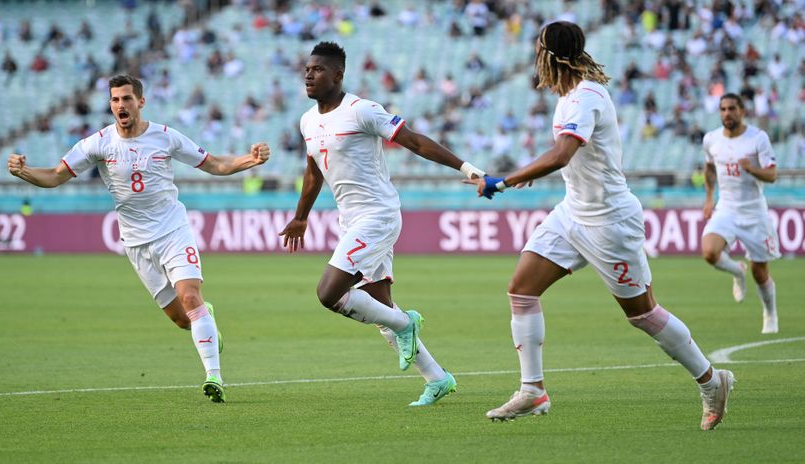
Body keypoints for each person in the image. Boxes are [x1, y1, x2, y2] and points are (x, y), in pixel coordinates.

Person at [465, 22, 734, 430]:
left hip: (610, 222)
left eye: (538, 48)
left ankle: (712, 381)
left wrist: (503, 181)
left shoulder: (586, 97)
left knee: (643, 315)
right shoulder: (570, 95)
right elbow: (564, 156)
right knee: (521, 290)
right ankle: (532, 389)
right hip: (573, 212)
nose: (535, 56)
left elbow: (562, 153)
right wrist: (535, 171)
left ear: (550, 55)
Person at [7, 75, 270, 403]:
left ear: (141, 102)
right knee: (181, 319)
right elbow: (56, 176)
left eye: (127, 99)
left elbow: (214, 164)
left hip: (174, 231)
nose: (121, 105)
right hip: (136, 243)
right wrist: (24, 172)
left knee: (190, 297)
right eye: (115, 100)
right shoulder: (98, 143)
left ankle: (214, 377)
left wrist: (251, 160)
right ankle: (207, 317)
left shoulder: (165, 137)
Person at [279, 42, 486, 406]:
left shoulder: (363, 111)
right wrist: (300, 216)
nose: (309, 75)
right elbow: (313, 172)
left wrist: (467, 168)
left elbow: (415, 142)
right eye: (307, 69)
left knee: (329, 293)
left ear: (338, 75)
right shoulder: (308, 121)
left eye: (318, 70)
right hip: (351, 220)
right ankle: (437, 378)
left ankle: (406, 322)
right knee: (378, 304)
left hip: (378, 215)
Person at [701, 93, 780, 334]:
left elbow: (772, 175)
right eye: (723, 109)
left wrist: (752, 169)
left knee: (760, 272)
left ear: (742, 111)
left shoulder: (757, 138)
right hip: (727, 208)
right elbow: (709, 168)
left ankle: (770, 312)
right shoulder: (711, 139)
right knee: (709, 252)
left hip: (754, 211)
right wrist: (708, 198)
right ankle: (737, 271)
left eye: (732, 108)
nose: (727, 113)